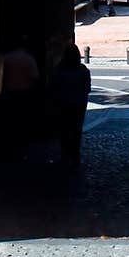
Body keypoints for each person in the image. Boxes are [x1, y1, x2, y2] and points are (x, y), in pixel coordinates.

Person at [50, 43, 92, 171]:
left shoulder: (59, 70)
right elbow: (87, 88)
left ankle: (65, 154)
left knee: (64, 130)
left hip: (63, 104)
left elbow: (53, 87)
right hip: (78, 105)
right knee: (76, 130)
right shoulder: (83, 70)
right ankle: (75, 155)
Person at [0, 37, 40, 161]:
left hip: (9, 93)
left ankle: (10, 146)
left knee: (10, 121)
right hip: (24, 94)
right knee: (23, 121)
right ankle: (22, 146)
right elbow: (35, 77)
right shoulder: (29, 59)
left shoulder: (6, 58)